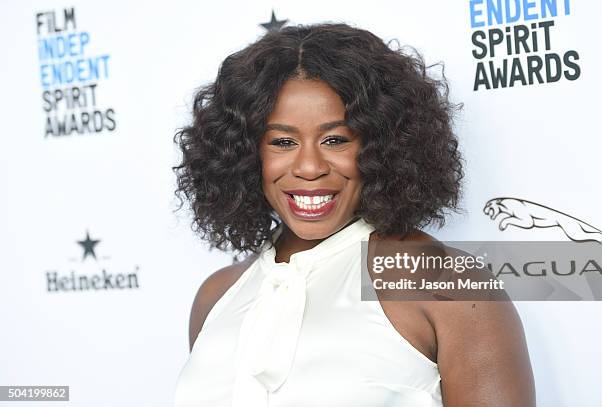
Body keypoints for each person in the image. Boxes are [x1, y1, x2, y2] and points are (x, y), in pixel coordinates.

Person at [172, 23, 535, 407]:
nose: (309, 166)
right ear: (245, 153)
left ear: (382, 144)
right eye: (282, 141)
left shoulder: (446, 286)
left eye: (335, 140)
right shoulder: (217, 296)